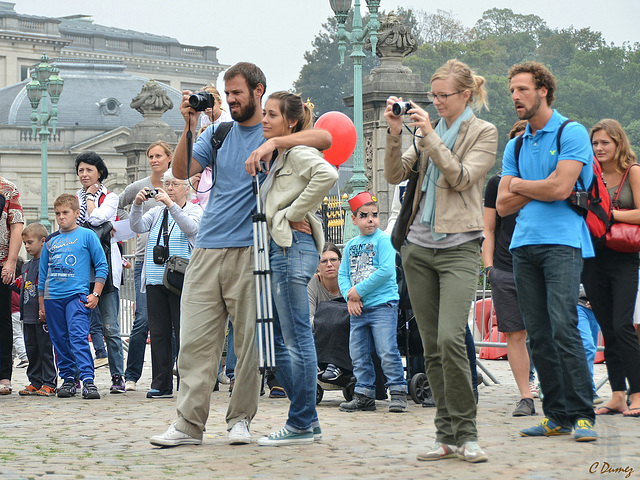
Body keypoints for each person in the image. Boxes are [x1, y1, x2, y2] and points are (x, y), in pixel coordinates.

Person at [150, 62, 331, 448]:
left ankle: (240, 420)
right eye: (226, 94)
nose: (230, 100)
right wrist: (190, 124)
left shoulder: (276, 130)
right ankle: (187, 425)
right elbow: (181, 171)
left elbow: (326, 139)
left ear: (257, 90)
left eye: (237, 93)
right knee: (195, 342)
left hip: (254, 248)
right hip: (207, 248)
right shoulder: (218, 132)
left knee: (249, 343)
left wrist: (274, 143)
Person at [384, 59, 496, 463]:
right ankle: (445, 434)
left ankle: (467, 433)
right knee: (430, 346)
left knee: (451, 338)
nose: (436, 102)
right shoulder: (425, 133)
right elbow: (394, 176)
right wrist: (396, 134)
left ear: (465, 95)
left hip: (460, 246)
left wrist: (429, 136)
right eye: (433, 96)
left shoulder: (483, 132)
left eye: (443, 95)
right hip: (417, 247)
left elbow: (461, 177)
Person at [496, 61, 597, 441]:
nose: (515, 97)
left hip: (563, 243)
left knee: (563, 328)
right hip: (522, 246)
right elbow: (503, 205)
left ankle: (583, 414)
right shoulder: (516, 142)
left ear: (543, 91)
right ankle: (557, 415)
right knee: (538, 334)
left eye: (522, 89)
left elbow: (560, 190)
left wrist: (521, 185)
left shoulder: (572, 132)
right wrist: (536, 185)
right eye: (511, 91)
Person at [246, 91, 337, 446]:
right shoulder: (282, 153)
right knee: (279, 339)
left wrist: (292, 213)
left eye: (272, 115)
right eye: (264, 114)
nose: (265, 120)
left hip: (288, 249)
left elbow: (327, 175)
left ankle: (299, 422)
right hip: (281, 249)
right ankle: (306, 419)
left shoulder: (296, 152)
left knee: (295, 337)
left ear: (291, 121)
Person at [583, 119, 640, 417]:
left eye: (605, 142)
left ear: (619, 143)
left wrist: (612, 215)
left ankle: (638, 393)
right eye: (595, 143)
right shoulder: (589, 175)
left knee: (622, 325)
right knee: (607, 328)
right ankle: (617, 394)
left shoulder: (633, 172)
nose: (599, 148)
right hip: (592, 257)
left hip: (624, 257)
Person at [129, 171, 202, 399]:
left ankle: (188, 383)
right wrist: (137, 204)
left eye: (174, 184)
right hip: (155, 279)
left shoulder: (194, 209)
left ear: (187, 189)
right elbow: (137, 227)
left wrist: (171, 205)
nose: (169, 188)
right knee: (159, 333)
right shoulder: (156, 211)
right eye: (166, 184)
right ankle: (161, 384)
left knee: (184, 333)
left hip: (182, 280)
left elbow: (191, 228)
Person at [482, 119, 537, 417]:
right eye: (516, 140)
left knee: (545, 331)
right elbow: (489, 228)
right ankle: (525, 396)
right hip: (505, 267)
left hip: (539, 264)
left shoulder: (549, 177)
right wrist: (490, 268)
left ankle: (555, 388)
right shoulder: (497, 183)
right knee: (515, 334)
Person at [337, 192, 407, 414]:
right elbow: (343, 274)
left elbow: (386, 271)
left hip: (382, 305)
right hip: (358, 308)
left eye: (374, 215)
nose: (370, 220)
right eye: (364, 215)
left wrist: (357, 291)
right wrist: (350, 296)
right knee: (358, 353)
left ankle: (397, 391)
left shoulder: (384, 240)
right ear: (354, 219)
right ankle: (364, 393)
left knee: (387, 350)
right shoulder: (350, 245)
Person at [39, 194, 109, 399]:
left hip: (76, 297)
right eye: (58, 213)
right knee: (59, 340)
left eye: (65, 213)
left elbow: (101, 266)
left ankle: (88, 380)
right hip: (53, 299)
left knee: (78, 337)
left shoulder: (87, 236)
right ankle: (68, 379)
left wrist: (95, 293)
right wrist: (42, 305)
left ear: (77, 213)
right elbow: (43, 275)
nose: (61, 217)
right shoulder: (51, 241)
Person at [119, 141, 173, 391]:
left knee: (174, 321)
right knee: (142, 319)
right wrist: (119, 230)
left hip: (177, 263)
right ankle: (131, 376)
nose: (153, 160)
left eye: (158, 155)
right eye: (150, 156)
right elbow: (116, 205)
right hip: (144, 260)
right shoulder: (139, 186)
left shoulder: (180, 184)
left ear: (169, 158)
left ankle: (172, 370)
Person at [75, 151, 127, 394]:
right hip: (79, 268)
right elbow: (70, 224)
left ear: (100, 172)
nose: (84, 174)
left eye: (89, 170)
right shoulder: (74, 197)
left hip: (104, 269)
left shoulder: (111, 196)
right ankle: (78, 376)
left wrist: (90, 202)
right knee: (77, 326)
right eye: (81, 170)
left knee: (111, 328)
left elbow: (97, 219)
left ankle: (118, 375)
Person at [16, 223, 57, 396]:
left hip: (42, 316)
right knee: (31, 349)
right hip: (28, 315)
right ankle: (35, 381)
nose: (26, 246)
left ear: (42, 242)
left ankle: (49, 382)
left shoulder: (47, 263)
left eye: (29, 242)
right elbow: (23, 287)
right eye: (24, 243)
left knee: (45, 350)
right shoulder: (26, 266)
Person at [0, 175, 24, 395]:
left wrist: (11, 261)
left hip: (0, 265)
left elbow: (16, 226)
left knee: (3, 322)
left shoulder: (7, 188)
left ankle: (3, 375)